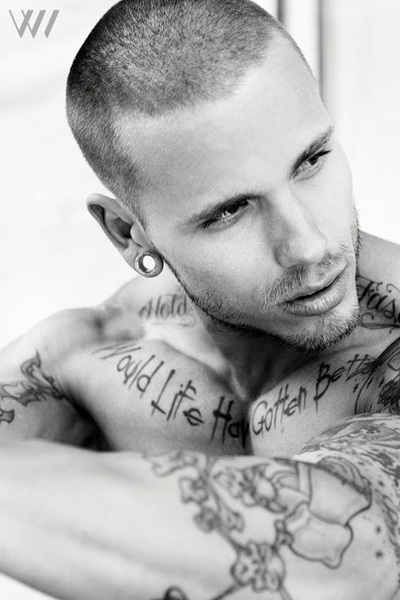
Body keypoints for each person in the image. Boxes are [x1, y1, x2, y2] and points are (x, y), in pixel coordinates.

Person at [0, 0, 400, 598]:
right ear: (129, 234)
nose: (309, 246)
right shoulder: (90, 358)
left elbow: (347, 556)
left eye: (312, 160)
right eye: (231, 210)